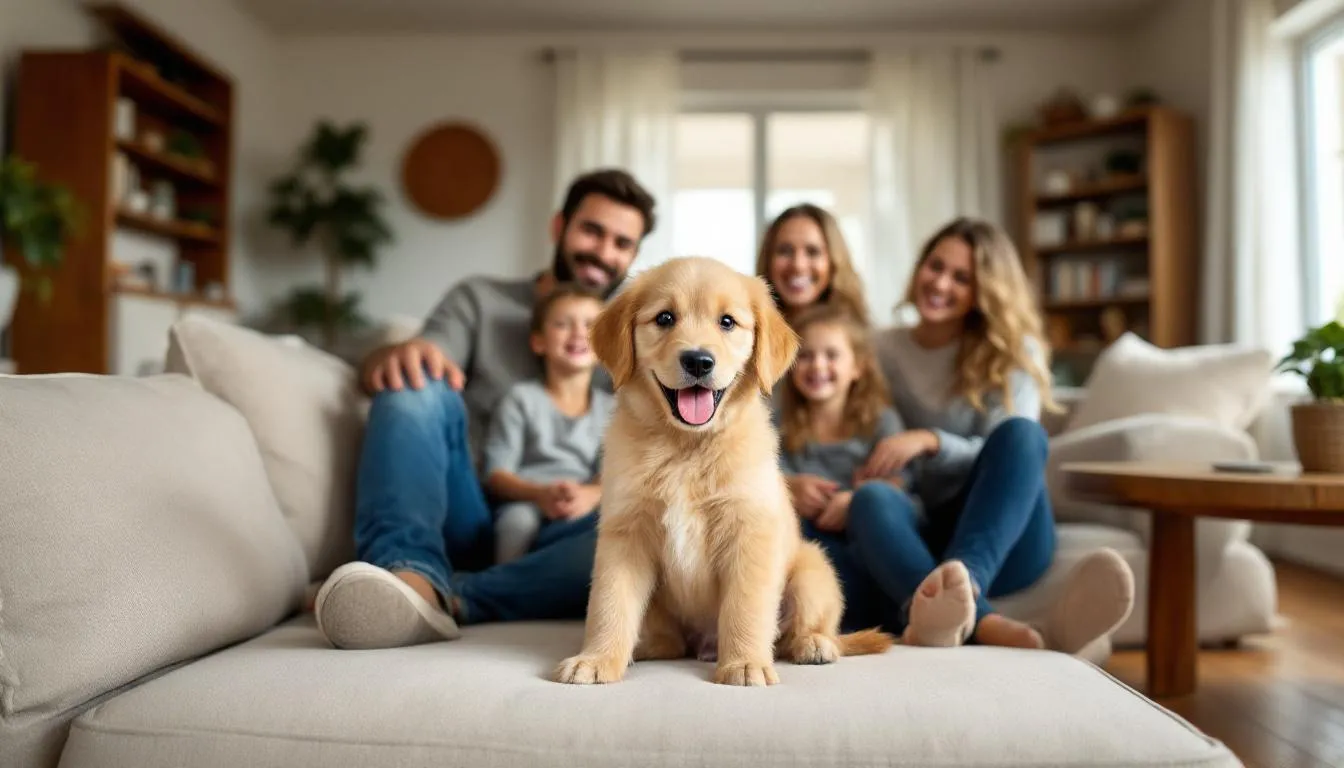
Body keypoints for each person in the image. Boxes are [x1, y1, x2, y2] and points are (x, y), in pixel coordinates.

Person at [313, 168, 656, 651]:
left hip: (563, 531)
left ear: (634, 256)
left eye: (622, 243)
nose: (604, 252)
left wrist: (595, 494)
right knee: (414, 384)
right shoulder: (482, 300)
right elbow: (409, 369)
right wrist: (392, 357)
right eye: (592, 231)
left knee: (641, 532)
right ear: (559, 228)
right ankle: (406, 573)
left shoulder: (633, 336)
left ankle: (448, 597)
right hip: (467, 511)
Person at [843, 216, 1134, 652]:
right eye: (935, 266)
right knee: (870, 500)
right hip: (922, 529)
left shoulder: (1014, 353)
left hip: (1003, 536)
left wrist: (930, 441)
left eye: (962, 277)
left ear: (986, 292)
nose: (940, 283)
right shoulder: (881, 348)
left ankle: (966, 586)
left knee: (1022, 434)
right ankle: (986, 625)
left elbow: (1011, 452)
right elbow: (865, 429)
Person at [483, 283, 614, 564]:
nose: (579, 333)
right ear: (539, 342)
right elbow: (497, 474)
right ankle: (502, 587)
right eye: (562, 324)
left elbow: (615, 470)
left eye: (590, 325)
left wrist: (590, 494)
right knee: (516, 523)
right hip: (528, 502)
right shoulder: (520, 399)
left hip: (584, 504)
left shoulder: (613, 409)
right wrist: (540, 494)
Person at [755, 204, 870, 327]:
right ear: (768, 259)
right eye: (785, 251)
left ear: (834, 261)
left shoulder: (865, 340)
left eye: (813, 252)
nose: (798, 265)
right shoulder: (744, 334)